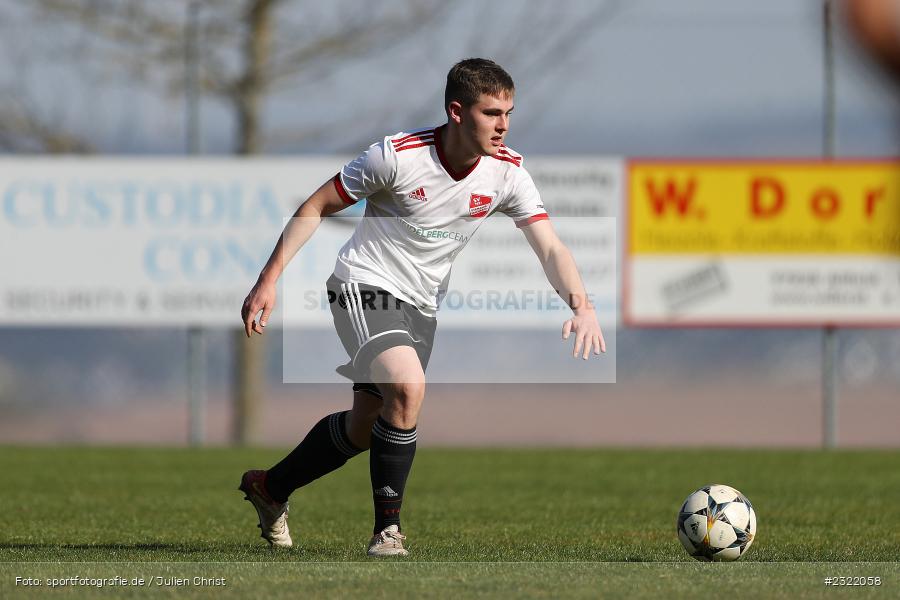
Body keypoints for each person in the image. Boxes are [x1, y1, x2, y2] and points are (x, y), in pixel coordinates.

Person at [238, 58, 605, 557]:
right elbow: (316, 206)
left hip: (420, 307)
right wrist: (269, 279)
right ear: (457, 112)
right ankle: (387, 533)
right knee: (409, 389)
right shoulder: (396, 156)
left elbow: (552, 249)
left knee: (367, 426)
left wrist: (581, 306)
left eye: (509, 113)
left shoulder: (508, 174)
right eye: (492, 112)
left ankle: (271, 487)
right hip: (362, 286)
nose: (504, 125)